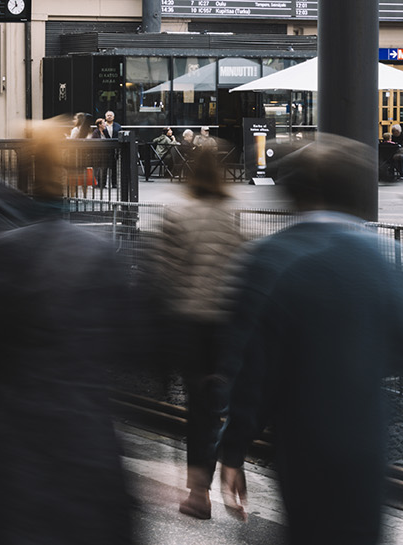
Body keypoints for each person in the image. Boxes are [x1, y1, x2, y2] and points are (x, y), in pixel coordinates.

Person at [0, 120, 137, 544]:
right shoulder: (99, 255)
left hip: (17, 453)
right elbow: (136, 351)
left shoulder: (8, 252)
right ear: (68, 174)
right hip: (89, 452)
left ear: (26, 172)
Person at [216, 133, 403, 544]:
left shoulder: (269, 258)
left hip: (304, 447)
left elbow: (251, 373)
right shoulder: (381, 260)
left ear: (295, 194)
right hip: (368, 445)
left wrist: (233, 450)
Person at [149, 142, 246, 520]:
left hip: (190, 325)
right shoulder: (230, 215)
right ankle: (226, 472)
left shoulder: (177, 213)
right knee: (218, 405)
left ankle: (198, 493)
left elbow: (163, 276)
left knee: (198, 407)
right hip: (224, 325)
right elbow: (241, 268)